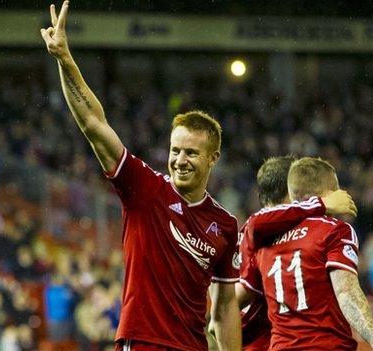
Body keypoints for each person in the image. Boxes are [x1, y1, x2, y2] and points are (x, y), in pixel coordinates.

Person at [41, 2, 240, 350]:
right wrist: (65, 59)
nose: (179, 160)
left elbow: (224, 307)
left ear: (213, 159)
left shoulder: (224, 224)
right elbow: (93, 124)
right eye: (175, 150)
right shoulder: (145, 188)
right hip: (143, 341)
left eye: (191, 153)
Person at [242, 157, 373, 351]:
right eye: (336, 188)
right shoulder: (335, 230)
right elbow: (346, 292)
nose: (341, 193)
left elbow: (235, 299)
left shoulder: (264, 244)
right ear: (326, 194)